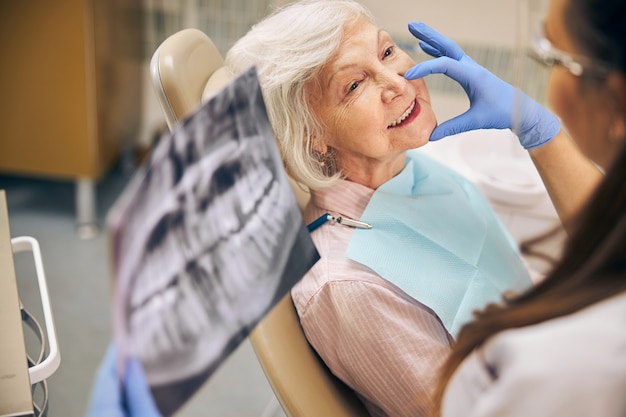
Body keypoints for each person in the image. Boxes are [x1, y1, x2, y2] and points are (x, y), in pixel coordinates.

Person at [224, 1, 536, 416]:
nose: (399, 84)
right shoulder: (350, 287)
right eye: (354, 86)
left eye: (387, 52)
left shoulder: (411, 171)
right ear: (312, 136)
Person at [403, 0, 626, 415]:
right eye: (355, 84)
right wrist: (539, 131)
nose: (392, 83)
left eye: (553, 57)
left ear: (616, 98)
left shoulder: (566, 370)